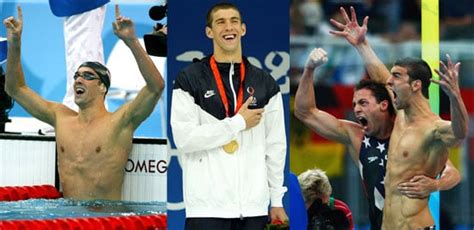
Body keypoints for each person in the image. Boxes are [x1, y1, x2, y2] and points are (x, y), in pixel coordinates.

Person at [3, 5, 164, 200]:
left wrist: (131, 41)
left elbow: (155, 86)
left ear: (103, 87)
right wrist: (15, 43)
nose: (78, 80)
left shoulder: (120, 122)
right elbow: (15, 89)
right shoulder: (61, 118)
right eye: (77, 75)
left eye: (88, 76)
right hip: (69, 219)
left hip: (105, 220)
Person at [329, 6, 468, 229]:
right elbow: (380, 76)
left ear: (415, 85)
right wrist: (361, 45)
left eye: (396, 76)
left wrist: (455, 96)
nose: (389, 82)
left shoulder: (433, 127)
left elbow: (460, 134)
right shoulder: (401, 115)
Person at [294, 47, 461, 229]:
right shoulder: (356, 136)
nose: (357, 109)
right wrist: (309, 69)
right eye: (354, 104)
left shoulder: (412, 132)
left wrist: (435, 184)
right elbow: (305, 113)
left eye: (363, 103)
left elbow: (452, 172)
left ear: (384, 105)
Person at [170, 2, 288, 229]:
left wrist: (277, 200)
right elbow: (184, 139)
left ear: (243, 29)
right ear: (209, 31)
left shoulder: (265, 83)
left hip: (254, 208)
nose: (228, 27)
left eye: (234, 21)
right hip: (206, 208)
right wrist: (238, 123)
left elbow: (275, 147)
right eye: (220, 22)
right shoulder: (190, 79)